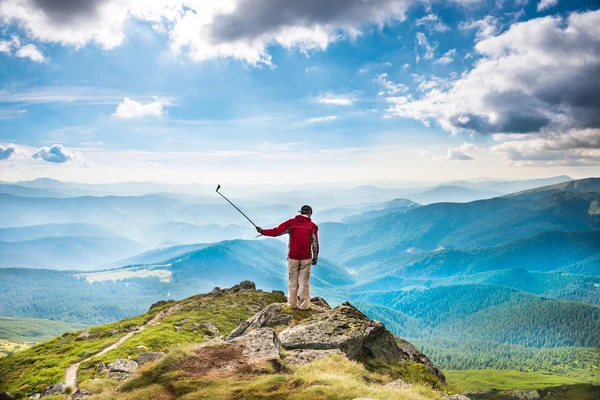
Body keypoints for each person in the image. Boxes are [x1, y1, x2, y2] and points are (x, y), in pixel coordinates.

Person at [256, 205, 319, 310]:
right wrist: (315, 257)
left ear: (300, 212)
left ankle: (292, 304)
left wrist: (263, 231)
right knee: (304, 282)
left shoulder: (291, 223)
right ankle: (304, 306)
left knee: (292, 281)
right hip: (306, 257)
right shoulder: (312, 226)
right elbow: (315, 243)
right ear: (310, 213)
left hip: (293, 256)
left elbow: (276, 231)